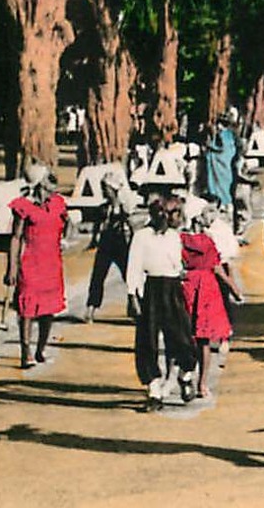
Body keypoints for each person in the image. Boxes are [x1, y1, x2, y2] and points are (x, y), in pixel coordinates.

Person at [126, 195, 198, 410]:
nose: (179, 218)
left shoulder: (175, 237)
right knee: (147, 340)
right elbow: (134, 266)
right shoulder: (142, 237)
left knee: (183, 338)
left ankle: (185, 376)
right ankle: (154, 390)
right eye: (175, 214)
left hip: (173, 288)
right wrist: (133, 296)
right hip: (151, 289)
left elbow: (179, 265)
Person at [6, 166, 71, 368]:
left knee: (48, 309)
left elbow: (67, 223)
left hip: (52, 263)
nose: (52, 184)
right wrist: (12, 268)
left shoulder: (58, 203)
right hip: (31, 262)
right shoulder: (24, 206)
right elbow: (16, 238)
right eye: (47, 181)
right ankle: (26, 353)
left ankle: (40, 350)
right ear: (38, 183)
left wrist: (64, 237)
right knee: (27, 309)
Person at [181, 198, 241, 400]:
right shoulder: (207, 241)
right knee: (203, 340)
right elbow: (217, 268)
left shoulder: (180, 239)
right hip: (206, 290)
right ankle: (202, 384)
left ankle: (184, 375)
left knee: (184, 337)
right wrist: (233, 287)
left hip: (187, 287)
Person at [84, 166, 143, 322]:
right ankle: (90, 308)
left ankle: (136, 308)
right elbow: (98, 228)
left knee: (130, 278)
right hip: (106, 244)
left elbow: (132, 228)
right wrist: (93, 240)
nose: (104, 191)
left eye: (106, 188)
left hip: (122, 245)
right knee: (98, 276)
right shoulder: (103, 209)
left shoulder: (126, 208)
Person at [203, 110, 240, 209]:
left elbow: (221, 149)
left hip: (223, 165)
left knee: (223, 185)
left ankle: (223, 202)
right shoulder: (229, 134)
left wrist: (209, 147)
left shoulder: (223, 135)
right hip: (226, 165)